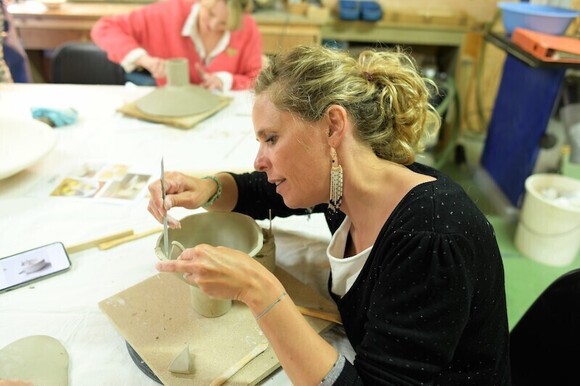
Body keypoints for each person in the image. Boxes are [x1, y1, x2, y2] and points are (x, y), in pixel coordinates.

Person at [148, 45, 511, 384]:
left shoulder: (429, 240)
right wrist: (207, 188)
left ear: (333, 126)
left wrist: (258, 289)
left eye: (271, 138)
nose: (259, 160)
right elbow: (264, 190)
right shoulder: (345, 184)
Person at [90, 0, 262, 91]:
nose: (213, 25)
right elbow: (104, 28)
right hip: (170, 112)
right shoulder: (167, 14)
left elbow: (256, 79)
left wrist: (226, 81)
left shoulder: (247, 28)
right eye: (210, 14)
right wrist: (145, 60)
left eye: (224, 24)